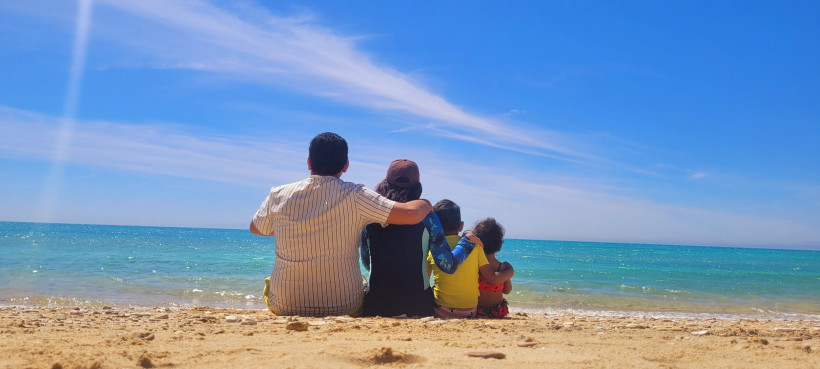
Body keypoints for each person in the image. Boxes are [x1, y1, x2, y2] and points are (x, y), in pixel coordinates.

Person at [250, 132, 435, 317]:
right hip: (344, 306)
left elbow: (256, 228)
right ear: (346, 165)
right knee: (362, 282)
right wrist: (427, 203)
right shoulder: (356, 195)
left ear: (308, 162)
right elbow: (411, 214)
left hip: (285, 305)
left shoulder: (278, 194)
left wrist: (294, 225)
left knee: (269, 281)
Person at [360, 159, 481, 317]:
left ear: (384, 184)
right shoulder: (428, 218)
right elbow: (447, 265)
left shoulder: (371, 217)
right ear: (417, 188)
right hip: (415, 306)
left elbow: (367, 263)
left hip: (376, 305)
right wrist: (466, 242)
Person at [428, 200, 514, 318]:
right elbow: (496, 281)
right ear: (461, 225)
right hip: (470, 312)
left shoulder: (432, 250)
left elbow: (425, 279)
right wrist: (510, 271)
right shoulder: (476, 247)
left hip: (442, 311)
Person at [473, 218, 513, 318]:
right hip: (498, 312)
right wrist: (509, 272)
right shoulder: (503, 267)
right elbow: (507, 290)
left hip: (477, 311)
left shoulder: (474, 266)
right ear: (499, 243)